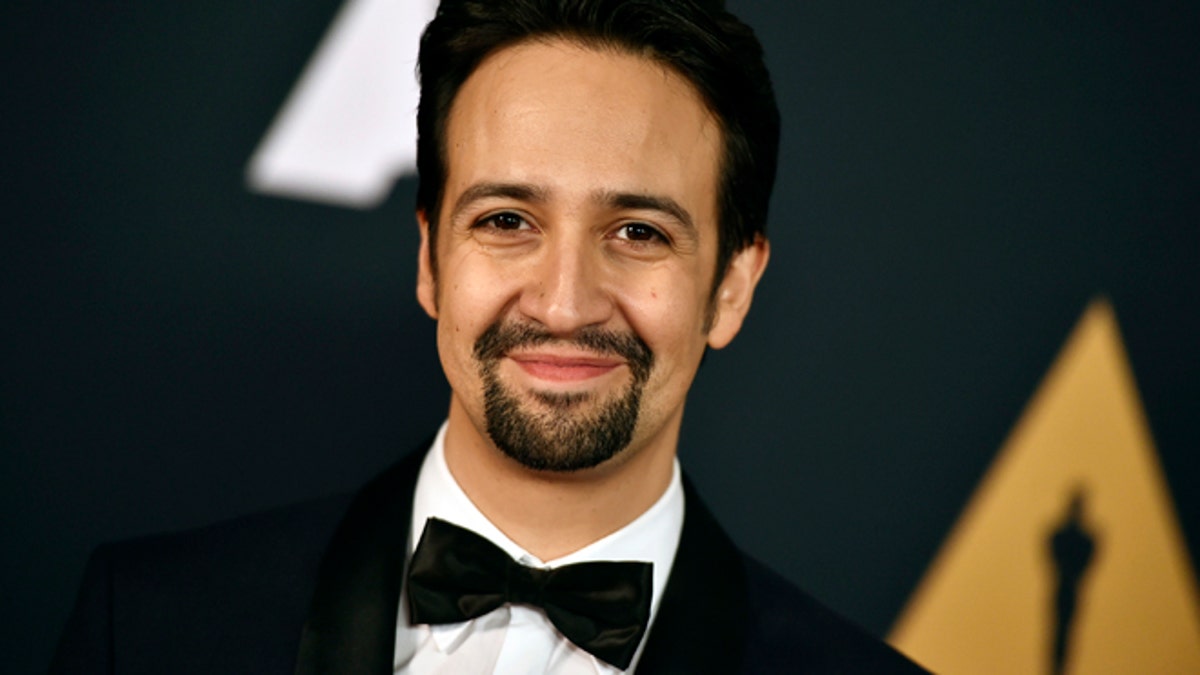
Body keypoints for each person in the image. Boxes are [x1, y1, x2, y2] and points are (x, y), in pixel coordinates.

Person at [52, 1, 928, 672]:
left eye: (637, 232)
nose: (563, 302)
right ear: (430, 258)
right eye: (508, 218)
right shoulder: (149, 626)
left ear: (731, 286)